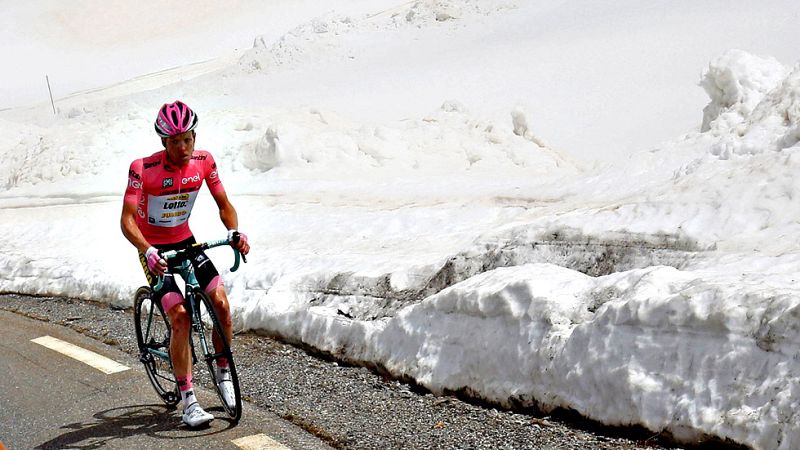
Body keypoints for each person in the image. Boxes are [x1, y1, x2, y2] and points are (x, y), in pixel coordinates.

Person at [120, 100, 250, 427]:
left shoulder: (204, 163)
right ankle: (189, 401)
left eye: (188, 139)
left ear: (195, 137)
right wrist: (146, 249)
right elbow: (126, 220)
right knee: (180, 320)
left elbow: (224, 204)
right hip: (154, 251)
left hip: (185, 242)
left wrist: (233, 230)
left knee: (220, 304)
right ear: (163, 142)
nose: (183, 147)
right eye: (175, 141)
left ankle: (222, 374)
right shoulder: (142, 169)